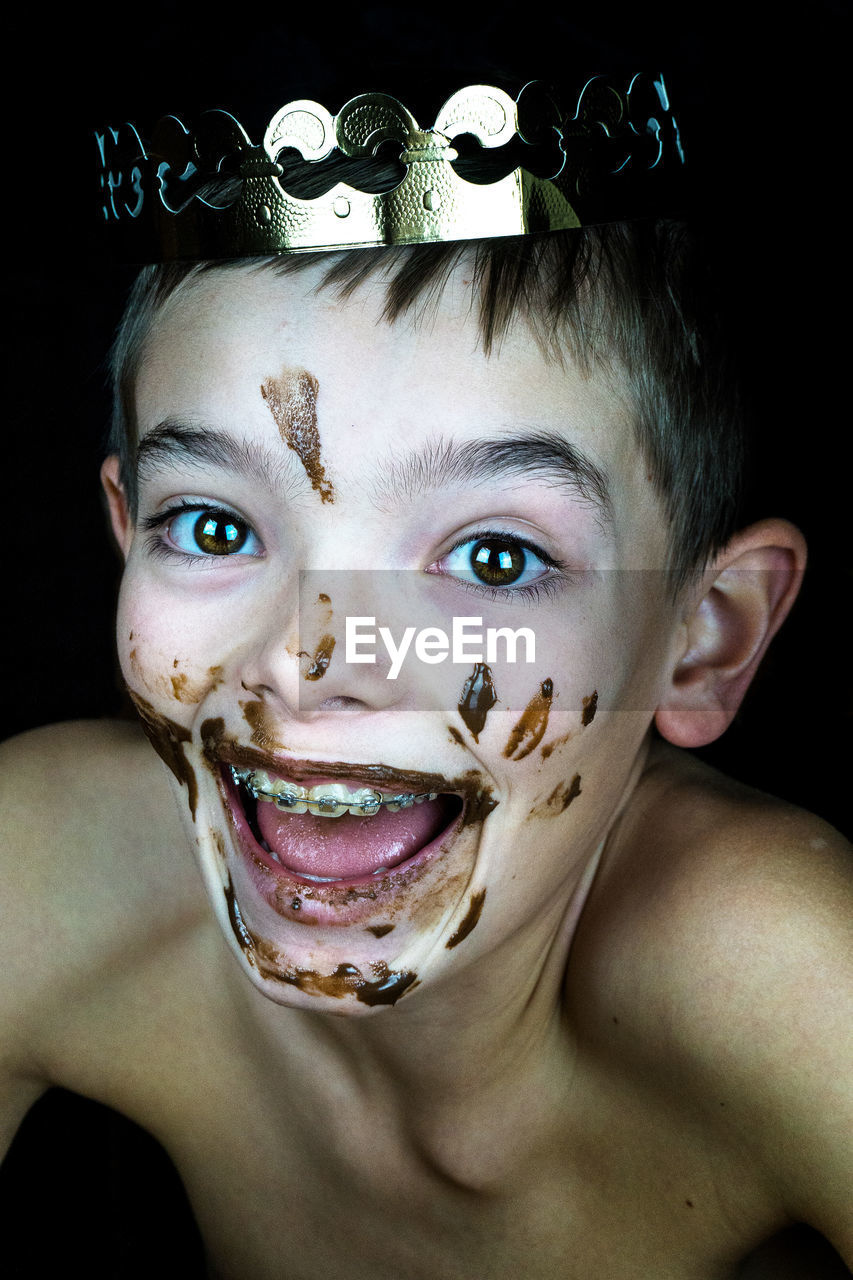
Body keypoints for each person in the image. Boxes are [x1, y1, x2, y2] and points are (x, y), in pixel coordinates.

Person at [1, 65, 850, 1280]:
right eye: (214, 527)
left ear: (702, 633)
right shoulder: (39, 868)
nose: (309, 664)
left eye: (494, 556)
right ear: (124, 531)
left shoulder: (794, 981)